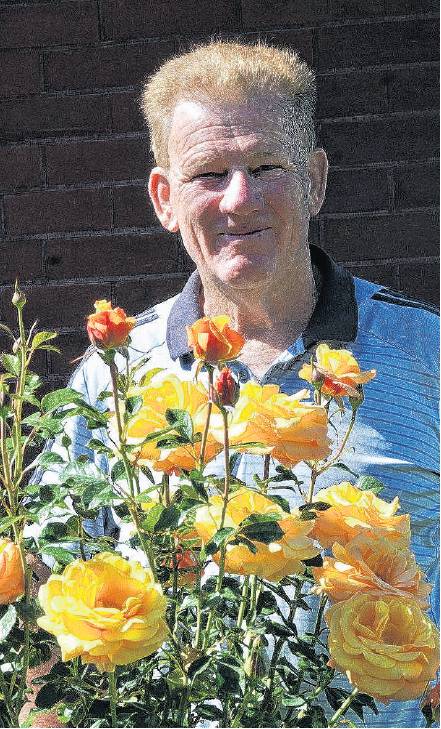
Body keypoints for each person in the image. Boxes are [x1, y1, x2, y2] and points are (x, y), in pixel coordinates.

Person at [30, 41, 439, 727]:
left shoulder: (426, 354)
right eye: (209, 173)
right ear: (164, 197)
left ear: (314, 180)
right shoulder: (112, 375)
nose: (238, 197)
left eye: (265, 165)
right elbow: (47, 596)